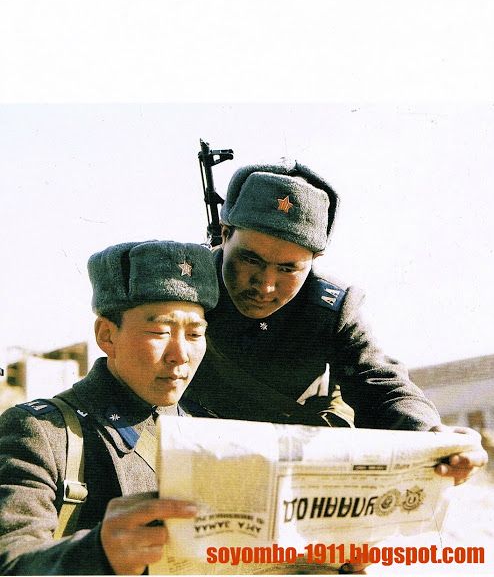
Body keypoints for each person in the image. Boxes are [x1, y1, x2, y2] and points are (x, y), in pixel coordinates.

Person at [183, 159, 487, 487]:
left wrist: (430, 433)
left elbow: (380, 384)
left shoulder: (330, 309)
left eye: (288, 269)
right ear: (225, 235)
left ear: (314, 261)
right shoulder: (182, 287)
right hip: (192, 446)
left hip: (290, 459)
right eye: (250, 259)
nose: (266, 285)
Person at [0, 240, 219, 575]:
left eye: (194, 334)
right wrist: (99, 552)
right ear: (107, 335)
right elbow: (11, 563)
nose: (180, 354)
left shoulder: (207, 433)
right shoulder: (43, 433)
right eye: (159, 331)